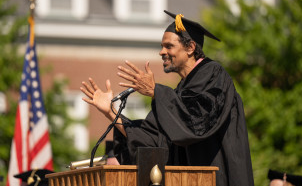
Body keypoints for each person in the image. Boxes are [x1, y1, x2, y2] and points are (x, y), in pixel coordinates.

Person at [80, 10, 254, 186]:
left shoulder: (213, 75)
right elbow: (150, 138)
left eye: (169, 46)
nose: (161, 52)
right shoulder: (181, 91)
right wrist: (110, 112)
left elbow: (196, 124)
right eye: (162, 46)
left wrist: (156, 91)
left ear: (190, 48)